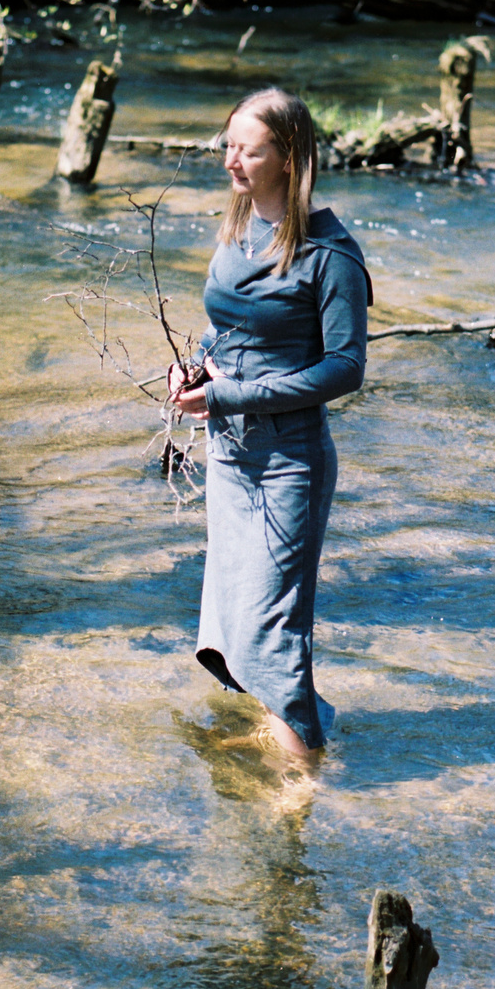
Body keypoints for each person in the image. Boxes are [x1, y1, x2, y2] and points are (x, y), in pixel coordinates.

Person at [170, 87, 371, 759]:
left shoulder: (331, 256)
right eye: (228, 145)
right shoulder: (237, 230)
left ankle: (300, 795)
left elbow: (345, 369)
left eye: (248, 150)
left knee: (275, 635)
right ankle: (295, 740)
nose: (231, 161)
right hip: (231, 458)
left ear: (288, 158)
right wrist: (194, 367)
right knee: (235, 623)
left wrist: (233, 396)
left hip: (288, 464)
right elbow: (222, 326)